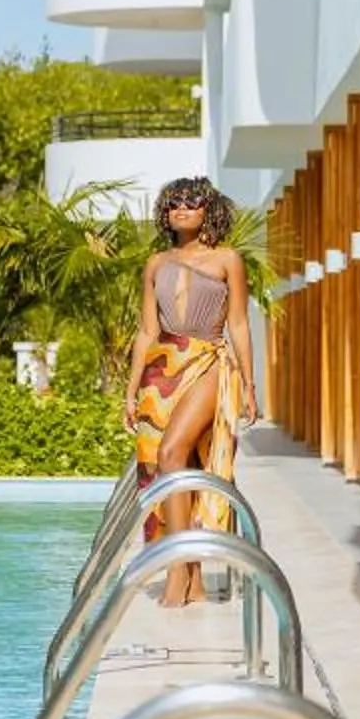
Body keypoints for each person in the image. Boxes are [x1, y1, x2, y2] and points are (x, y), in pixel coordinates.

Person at [123, 177, 256, 609]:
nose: (181, 208)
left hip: (209, 362)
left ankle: (177, 566)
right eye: (173, 202)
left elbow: (238, 324)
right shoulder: (155, 263)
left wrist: (250, 387)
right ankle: (193, 581)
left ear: (208, 210)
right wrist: (129, 391)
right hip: (162, 369)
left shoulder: (227, 260)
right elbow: (146, 331)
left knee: (172, 455)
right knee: (173, 467)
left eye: (191, 202)